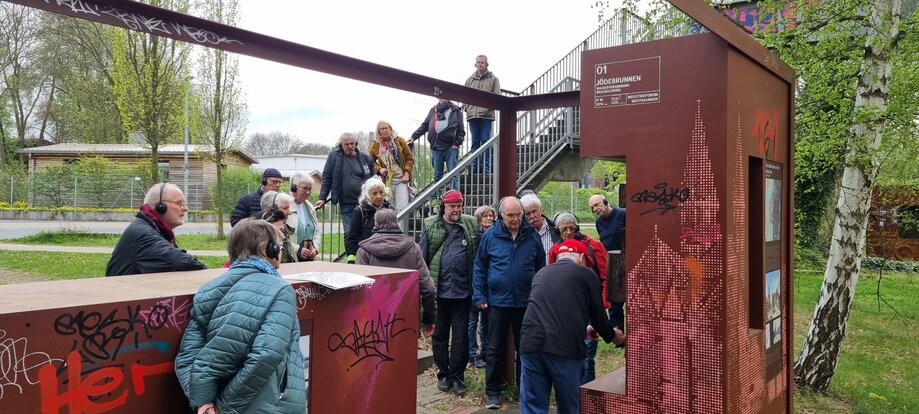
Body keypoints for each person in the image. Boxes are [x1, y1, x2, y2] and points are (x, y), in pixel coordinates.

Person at [175, 218, 306, 414]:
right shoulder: (280, 290)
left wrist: (204, 402)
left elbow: (187, 355)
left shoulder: (208, 289)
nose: (281, 251)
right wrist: (226, 408)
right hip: (270, 405)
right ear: (266, 249)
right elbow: (267, 354)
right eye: (279, 246)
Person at [519, 239, 623, 414]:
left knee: (532, 404)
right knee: (569, 404)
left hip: (531, 342)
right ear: (582, 257)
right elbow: (598, 317)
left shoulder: (541, 273)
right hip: (565, 347)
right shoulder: (587, 275)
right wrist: (613, 336)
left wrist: (584, 329)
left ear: (559, 256)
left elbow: (550, 311)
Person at [473, 196, 546, 410]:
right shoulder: (491, 236)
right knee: (494, 349)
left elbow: (541, 265)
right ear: (502, 215)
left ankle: (525, 390)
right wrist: (480, 295)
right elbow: (479, 267)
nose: (515, 219)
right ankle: (493, 393)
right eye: (510, 215)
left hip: (526, 303)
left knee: (525, 349)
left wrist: (539, 295)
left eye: (518, 215)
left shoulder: (531, 235)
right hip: (497, 302)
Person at [420, 190, 480, 397]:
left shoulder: (471, 224)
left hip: (464, 293)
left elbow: (479, 253)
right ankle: (443, 374)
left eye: (459, 205)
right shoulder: (431, 225)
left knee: (461, 337)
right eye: (452, 206)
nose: (456, 210)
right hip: (440, 294)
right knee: (439, 336)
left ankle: (457, 376)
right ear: (444, 207)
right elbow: (423, 259)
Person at [547, 212, 609, 384]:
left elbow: (604, 275)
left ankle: (587, 390)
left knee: (588, 353)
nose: (568, 232)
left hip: (590, 305)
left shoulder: (592, 246)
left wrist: (603, 302)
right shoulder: (555, 250)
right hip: (568, 308)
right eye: (563, 229)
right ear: (558, 230)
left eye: (571, 228)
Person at [356, 208, 436, 338]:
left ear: (375, 224)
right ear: (397, 223)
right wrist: (429, 318)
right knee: (405, 356)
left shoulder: (364, 251)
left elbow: (359, 289)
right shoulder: (413, 248)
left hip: (373, 321)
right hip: (406, 318)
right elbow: (429, 288)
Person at [106, 183, 207, 276]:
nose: (185, 209)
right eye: (179, 203)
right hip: (123, 294)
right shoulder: (143, 235)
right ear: (160, 206)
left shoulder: (151, 227)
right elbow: (181, 261)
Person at [316, 132, 375, 234]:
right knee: (349, 233)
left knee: (366, 232)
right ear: (341, 145)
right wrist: (322, 198)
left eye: (352, 143)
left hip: (364, 203)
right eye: (346, 144)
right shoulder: (334, 156)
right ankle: (351, 250)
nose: (350, 146)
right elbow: (327, 177)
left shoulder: (366, 158)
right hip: (346, 203)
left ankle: (363, 250)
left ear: (356, 143)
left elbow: (373, 179)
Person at [588, 194, 627, 340]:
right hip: (612, 263)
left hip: (626, 260)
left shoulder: (623, 214)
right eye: (592, 208)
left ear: (605, 202)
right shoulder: (599, 222)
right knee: (614, 301)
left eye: (597, 205)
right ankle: (618, 334)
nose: (595, 209)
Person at [409, 98, 465, 191]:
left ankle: (455, 196)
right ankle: (436, 200)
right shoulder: (433, 110)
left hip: (451, 147)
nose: (444, 98)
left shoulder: (456, 110)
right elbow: (425, 125)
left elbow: (461, 130)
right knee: (437, 176)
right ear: (439, 98)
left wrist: (456, 144)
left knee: (453, 174)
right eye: (442, 96)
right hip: (436, 147)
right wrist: (414, 136)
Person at [468, 204, 497, 369]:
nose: (489, 219)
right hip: (475, 283)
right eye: (486, 216)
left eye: (491, 216)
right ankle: (472, 352)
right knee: (472, 320)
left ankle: (485, 351)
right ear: (479, 219)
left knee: (486, 321)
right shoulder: (476, 236)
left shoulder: (495, 235)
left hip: (490, 285)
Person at [463, 55, 501, 173]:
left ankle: (486, 168)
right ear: (475, 64)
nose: (480, 64)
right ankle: (474, 168)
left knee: (485, 141)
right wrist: (467, 108)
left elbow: (497, 96)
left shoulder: (493, 79)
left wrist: (487, 108)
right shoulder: (470, 80)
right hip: (472, 115)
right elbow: (464, 96)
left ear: (486, 64)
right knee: (475, 142)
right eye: (478, 62)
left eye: (482, 62)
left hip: (486, 116)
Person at [368, 120, 414, 212]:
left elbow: (410, 158)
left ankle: (401, 227)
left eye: (386, 128)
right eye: (382, 129)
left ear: (390, 129)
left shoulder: (399, 141)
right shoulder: (375, 145)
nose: (384, 130)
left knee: (402, 208)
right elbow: (369, 161)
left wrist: (407, 173)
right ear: (379, 131)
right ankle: (392, 226)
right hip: (388, 181)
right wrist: (379, 169)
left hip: (402, 180)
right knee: (390, 209)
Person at [344, 176, 392, 260]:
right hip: (365, 256)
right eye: (374, 193)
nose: (379, 196)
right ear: (367, 195)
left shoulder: (390, 209)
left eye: (381, 192)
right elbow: (351, 237)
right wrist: (352, 259)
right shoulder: (359, 211)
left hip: (386, 255)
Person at [260, 191, 298, 263]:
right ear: (271, 209)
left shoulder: (284, 230)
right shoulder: (263, 235)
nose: (289, 212)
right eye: (285, 208)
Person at [520, 193, 560, 261]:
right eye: (528, 214)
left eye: (534, 211)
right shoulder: (520, 233)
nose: (532, 216)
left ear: (541, 210)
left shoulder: (556, 229)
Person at [290, 172, 321, 261]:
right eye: (305, 188)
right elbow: (279, 236)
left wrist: (315, 248)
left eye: (310, 189)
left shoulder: (310, 207)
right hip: (291, 259)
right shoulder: (284, 206)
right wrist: (298, 250)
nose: (308, 192)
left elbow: (317, 231)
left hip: (309, 260)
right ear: (294, 187)